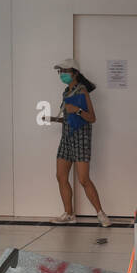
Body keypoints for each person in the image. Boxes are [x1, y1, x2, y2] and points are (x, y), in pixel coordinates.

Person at [50, 58, 109, 226]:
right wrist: (55, 119)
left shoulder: (82, 91)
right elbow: (69, 117)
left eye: (65, 71)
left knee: (83, 179)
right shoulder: (65, 92)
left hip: (80, 138)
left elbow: (92, 117)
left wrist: (78, 109)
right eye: (60, 71)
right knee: (61, 176)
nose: (62, 74)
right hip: (66, 138)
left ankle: (101, 214)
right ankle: (69, 214)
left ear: (74, 73)